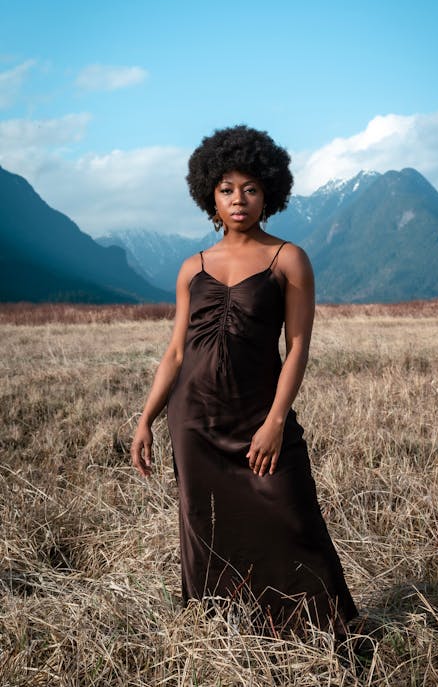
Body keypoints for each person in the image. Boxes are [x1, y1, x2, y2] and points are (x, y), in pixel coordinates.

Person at [130, 125, 357, 636]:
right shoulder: (193, 267)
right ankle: (228, 631)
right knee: (207, 527)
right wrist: (146, 419)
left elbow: (298, 346)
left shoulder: (288, 258)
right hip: (194, 422)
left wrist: (276, 421)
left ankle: (326, 633)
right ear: (210, 193)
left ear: (268, 194)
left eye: (250, 188)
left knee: (295, 516)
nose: (239, 199)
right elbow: (174, 352)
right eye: (227, 188)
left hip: (258, 414)